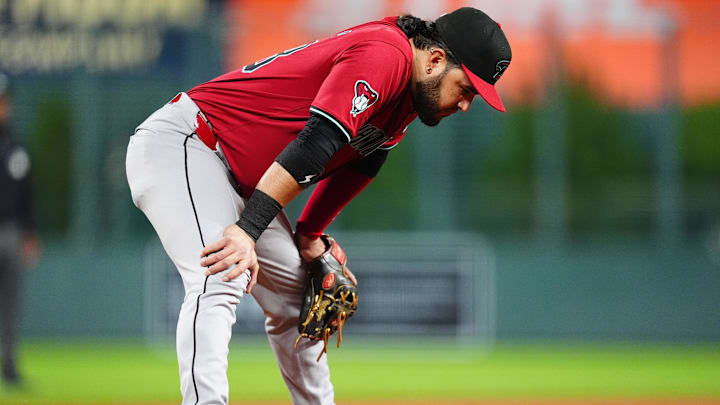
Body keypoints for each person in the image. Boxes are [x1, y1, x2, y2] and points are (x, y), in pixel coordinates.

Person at [126, 7, 511, 405]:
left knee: (298, 298)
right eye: (466, 88)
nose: (465, 104)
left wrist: (309, 235)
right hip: (188, 144)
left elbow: (363, 162)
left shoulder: (407, 99)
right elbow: (318, 141)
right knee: (223, 271)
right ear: (435, 60)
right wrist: (246, 231)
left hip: (242, 180)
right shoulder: (386, 53)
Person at [0, 72, 40, 388]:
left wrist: (30, 233)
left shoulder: (17, 148)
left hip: (12, 233)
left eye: (3, 101)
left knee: (11, 306)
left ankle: (9, 368)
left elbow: (28, 195)